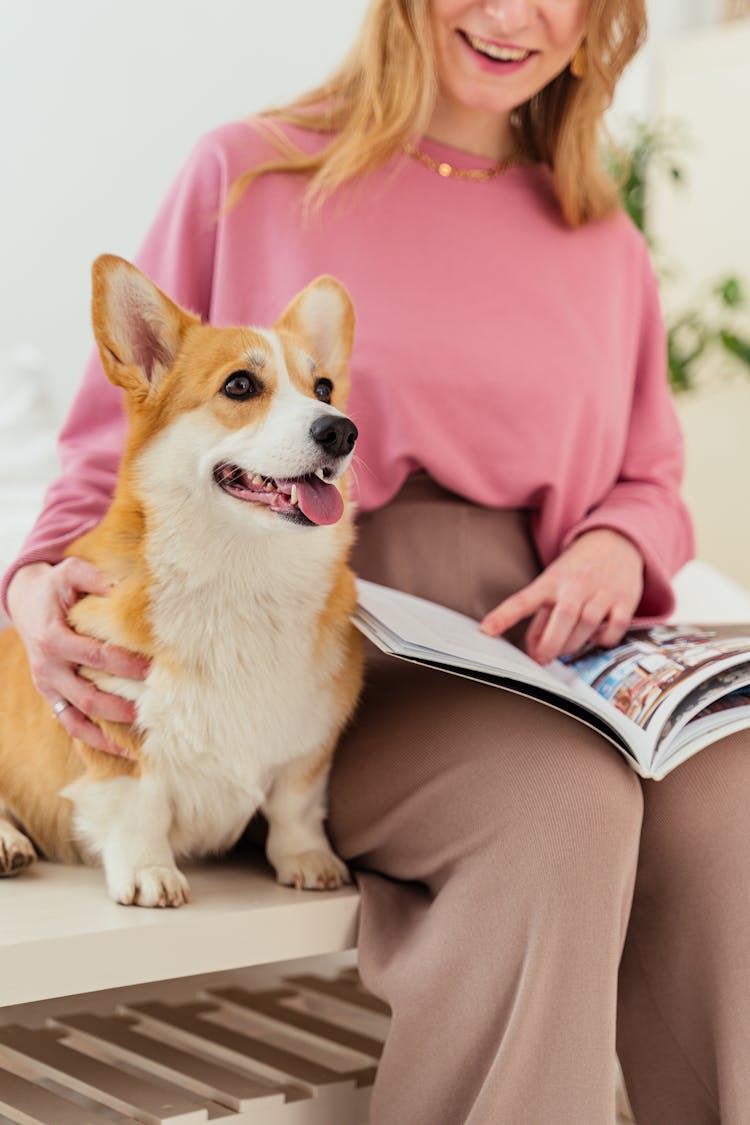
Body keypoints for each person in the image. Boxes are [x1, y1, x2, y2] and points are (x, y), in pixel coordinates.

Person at [4, 1, 748, 1121]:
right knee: (560, 807)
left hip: (542, 642)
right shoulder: (247, 175)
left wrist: (613, 546)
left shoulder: (604, 239)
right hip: (332, 641)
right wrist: (32, 590)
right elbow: (118, 443)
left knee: (734, 796)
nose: (513, 15)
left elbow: (649, 477)